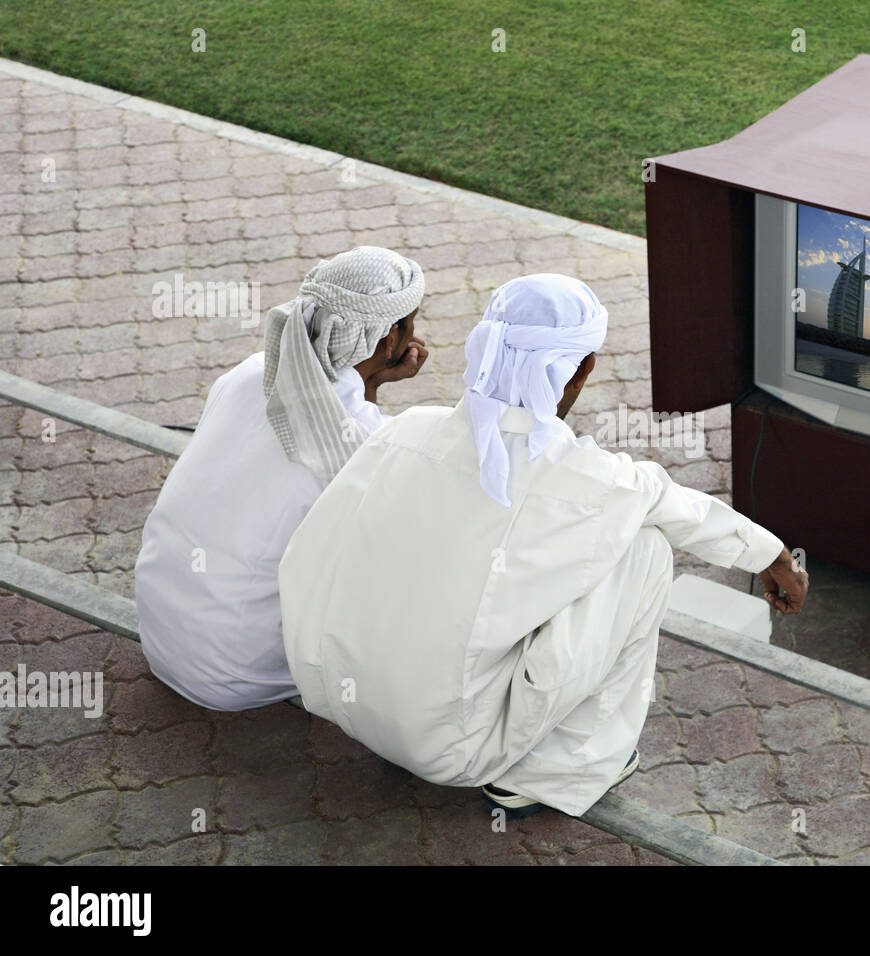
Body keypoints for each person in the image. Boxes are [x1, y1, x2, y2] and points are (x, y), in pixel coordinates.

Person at [278, 273, 807, 818]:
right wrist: (773, 556)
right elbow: (682, 511)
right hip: (454, 751)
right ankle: (556, 769)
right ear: (584, 368)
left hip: (342, 705)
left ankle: (397, 705)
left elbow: (307, 559)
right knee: (646, 549)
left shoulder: (405, 431)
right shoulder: (598, 482)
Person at [134, 246, 428, 711]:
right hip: (235, 671)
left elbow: (337, 407)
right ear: (390, 340)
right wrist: (374, 384)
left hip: (161, 630)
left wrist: (370, 380)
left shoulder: (252, 370)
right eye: (410, 323)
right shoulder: (369, 442)